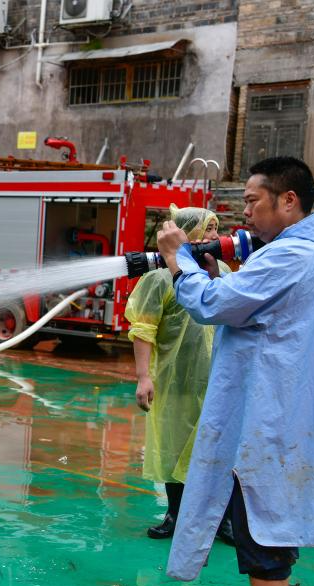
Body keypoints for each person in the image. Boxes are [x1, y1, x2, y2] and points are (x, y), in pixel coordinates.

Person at [159, 157, 314, 586]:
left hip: (269, 411)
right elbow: (252, 304)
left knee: (259, 518)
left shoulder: (291, 256)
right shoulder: (305, 253)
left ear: (289, 201)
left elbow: (214, 304)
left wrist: (179, 260)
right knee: (271, 511)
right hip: (280, 404)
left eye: (252, 202)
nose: (245, 213)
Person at [125, 205, 233, 543]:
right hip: (176, 380)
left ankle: (222, 519)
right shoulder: (158, 278)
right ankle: (175, 513)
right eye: (209, 229)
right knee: (173, 446)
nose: (215, 236)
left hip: (220, 379)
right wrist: (144, 377)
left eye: (215, 228)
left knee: (219, 448)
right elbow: (143, 328)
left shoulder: (222, 271)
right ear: (187, 233)